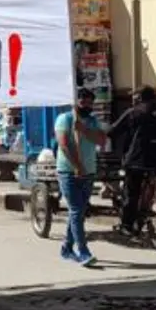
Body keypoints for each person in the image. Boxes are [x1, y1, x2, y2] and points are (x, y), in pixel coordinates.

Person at [107, 86, 156, 236]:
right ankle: (142, 218)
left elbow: (113, 131)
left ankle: (127, 225)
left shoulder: (134, 112)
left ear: (139, 98)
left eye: (135, 96)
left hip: (138, 159)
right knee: (150, 188)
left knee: (131, 192)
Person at [54, 89, 107, 266]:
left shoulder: (92, 121)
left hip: (89, 172)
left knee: (78, 212)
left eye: (90, 103)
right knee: (77, 211)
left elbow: (101, 141)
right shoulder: (65, 119)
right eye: (83, 102)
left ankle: (67, 248)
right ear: (76, 102)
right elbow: (63, 145)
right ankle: (83, 251)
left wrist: (84, 130)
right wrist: (78, 166)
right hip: (69, 172)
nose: (87, 105)